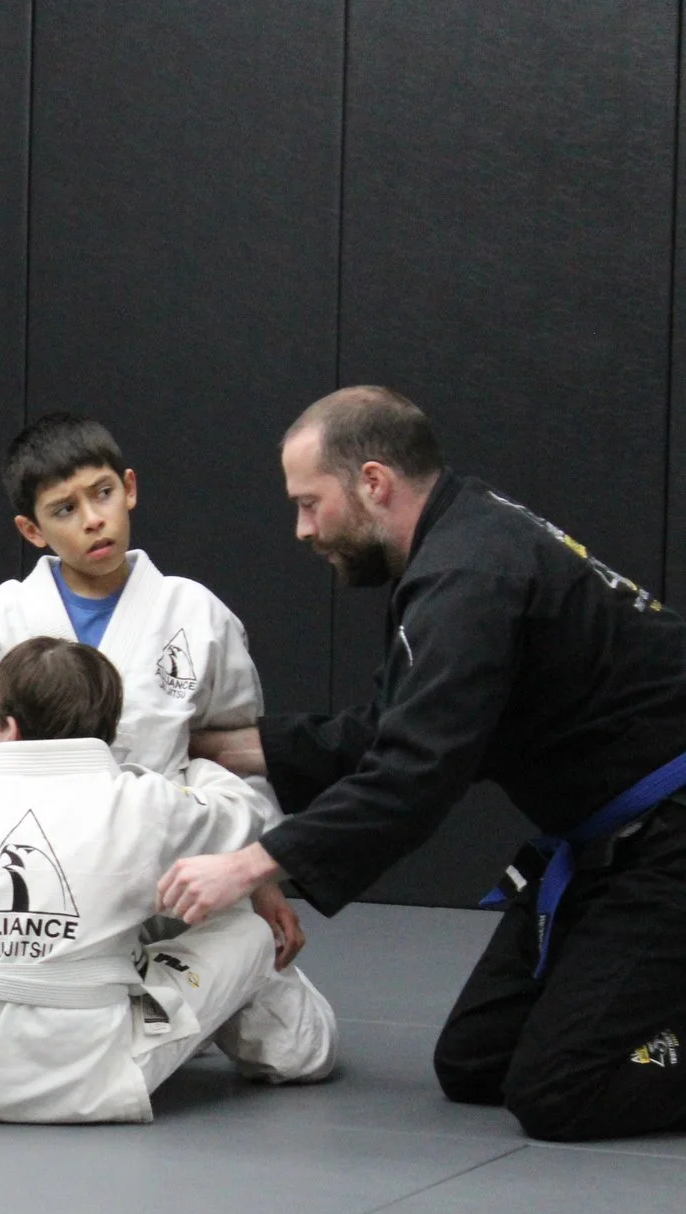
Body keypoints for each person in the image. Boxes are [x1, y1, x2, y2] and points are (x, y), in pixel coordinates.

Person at [159, 386, 686, 1143]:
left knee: (560, 1090)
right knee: (477, 1062)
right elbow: (390, 732)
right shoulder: (459, 540)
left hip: (668, 841)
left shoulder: (469, 578)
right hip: (616, 844)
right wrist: (214, 743)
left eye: (311, 503)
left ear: (373, 482)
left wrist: (247, 866)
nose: (302, 529)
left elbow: (412, 778)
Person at [0, 413, 332, 1076]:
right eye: (64, 509)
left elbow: (240, 758)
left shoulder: (195, 614)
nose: (93, 520)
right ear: (32, 530)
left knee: (297, 1054)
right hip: (41, 879)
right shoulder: (6, 618)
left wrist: (261, 875)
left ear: (129, 487)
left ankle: (159, 984)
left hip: (167, 872)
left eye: (102, 493)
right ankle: (136, 999)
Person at [0, 638, 334, 1123]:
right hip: (96, 1081)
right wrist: (200, 767)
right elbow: (246, 815)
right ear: (108, 731)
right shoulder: (144, 803)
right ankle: (294, 1048)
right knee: (246, 928)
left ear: (8, 727)